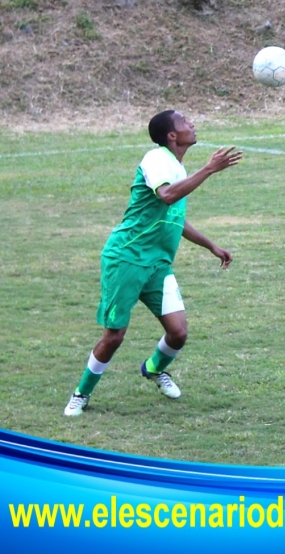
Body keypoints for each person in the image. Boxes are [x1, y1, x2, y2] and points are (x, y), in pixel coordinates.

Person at [63, 110, 243, 416]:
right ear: (171, 135)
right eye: (185, 122)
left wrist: (211, 245)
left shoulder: (175, 165)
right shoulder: (157, 159)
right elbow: (168, 196)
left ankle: (153, 368)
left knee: (179, 333)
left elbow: (174, 219)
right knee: (114, 335)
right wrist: (209, 169)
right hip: (127, 258)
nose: (192, 124)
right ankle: (81, 393)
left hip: (158, 264)